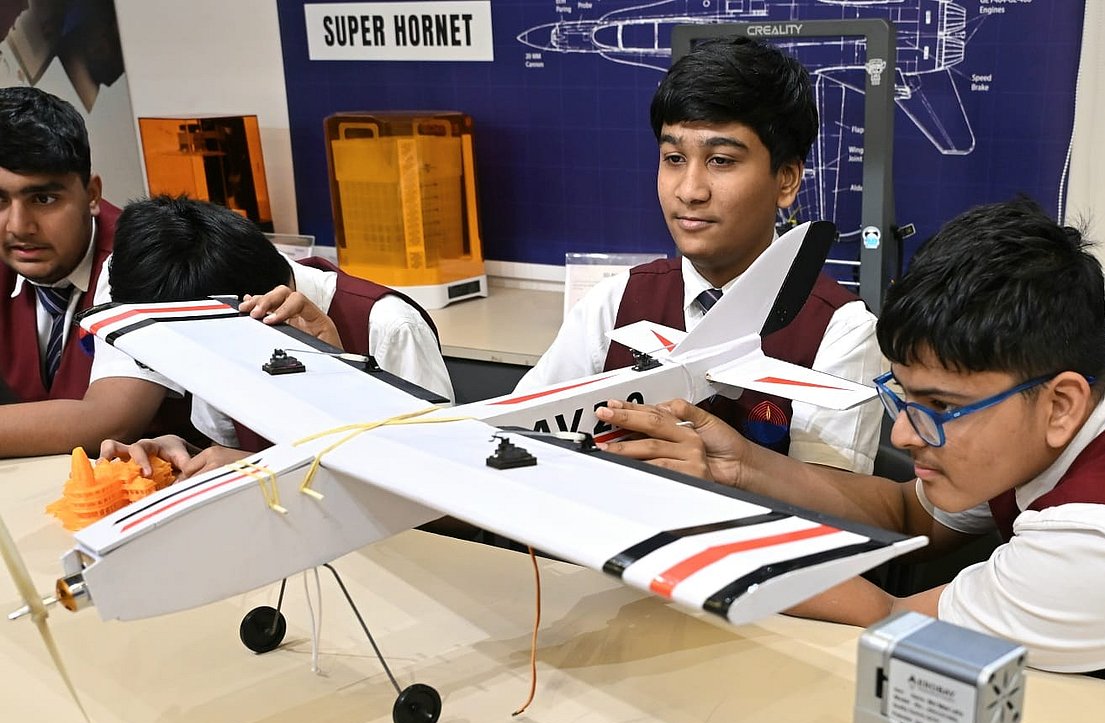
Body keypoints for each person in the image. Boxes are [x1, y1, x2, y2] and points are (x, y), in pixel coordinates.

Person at [596, 197, 1105, 699]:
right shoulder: (1097, 374)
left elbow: (891, 621)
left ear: (1062, 405)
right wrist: (740, 467)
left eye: (939, 406)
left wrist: (699, 551)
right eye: (904, 395)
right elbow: (911, 513)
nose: (905, 434)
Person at [516, 36, 883, 473]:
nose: (690, 191)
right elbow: (516, 437)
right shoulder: (613, 303)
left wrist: (725, 476)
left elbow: (832, 502)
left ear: (786, 179)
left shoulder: (840, 331)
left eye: (721, 160)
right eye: (673, 158)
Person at [97, 195, 454, 476]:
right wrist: (183, 458)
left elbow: (445, 495)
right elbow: (232, 449)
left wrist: (339, 379)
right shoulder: (209, 320)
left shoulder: (388, 326)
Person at [0, 86, 165, 455]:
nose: (18, 226)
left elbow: (110, 421)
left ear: (92, 195)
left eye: (43, 198)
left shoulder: (144, 257)